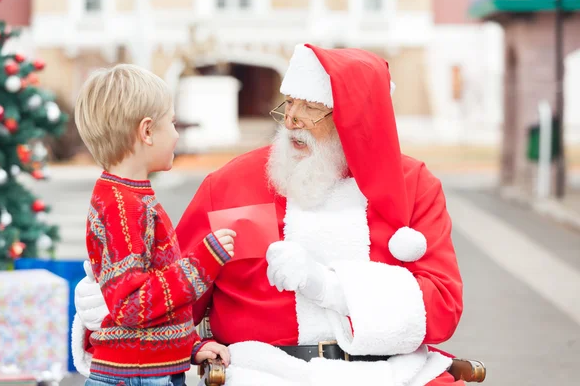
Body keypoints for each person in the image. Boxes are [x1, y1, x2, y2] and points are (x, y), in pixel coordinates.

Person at [74, 45, 464, 386]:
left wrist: (329, 287)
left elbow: (442, 310)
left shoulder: (414, 186)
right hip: (264, 374)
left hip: (393, 373)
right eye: (288, 103)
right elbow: (174, 294)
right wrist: (110, 310)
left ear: (354, 119)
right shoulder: (230, 184)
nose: (291, 119)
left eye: (309, 108)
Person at [73, 64, 235, 386]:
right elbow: (132, 305)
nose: (177, 134)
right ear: (147, 132)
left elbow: (151, 310)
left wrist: (190, 346)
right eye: (172, 123)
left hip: (150, 370)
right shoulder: (123, 207)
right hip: (137, 378)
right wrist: (203, 262)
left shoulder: (129, 198)